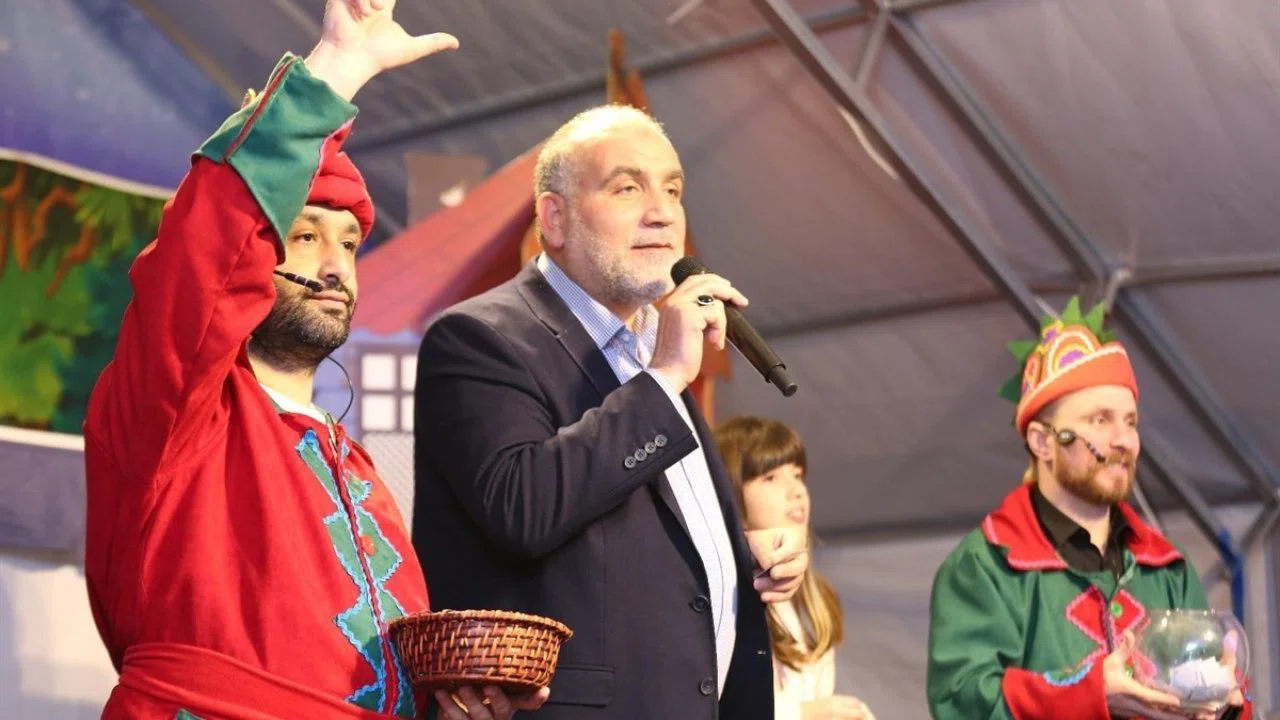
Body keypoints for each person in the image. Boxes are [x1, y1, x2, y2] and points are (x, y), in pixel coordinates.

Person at [82, 2, 546, 718]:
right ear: (254, 252)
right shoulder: (173, 412)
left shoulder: (354, 467)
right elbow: (202, 251)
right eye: (304, 237)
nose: (335, 267)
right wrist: (336, 70)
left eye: (350, 244)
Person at [411, 104, 808, 719]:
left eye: (673, 189)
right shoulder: (481, 338)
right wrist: (665, 377)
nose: (663, 212)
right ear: (555, 217)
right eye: (627, 187)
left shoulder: (652, 348)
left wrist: (733, 557)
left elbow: (625, 544)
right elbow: (524, 509)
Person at [926, 297, 1251, 720]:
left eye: (1131, 422)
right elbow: (962, 704)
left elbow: (1210, 689)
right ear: (1043, 442)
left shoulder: (1167, 568)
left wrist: (1225, 707)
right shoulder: (986, 567)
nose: (1124, 440)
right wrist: (1089, 694)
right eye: (1100, 420)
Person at [714, 416, 875, 720]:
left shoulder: (816, 601)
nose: (797, 491)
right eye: (771, 478)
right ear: (731, 495)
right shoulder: (719, 602)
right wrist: (803, 714)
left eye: (798, 475)